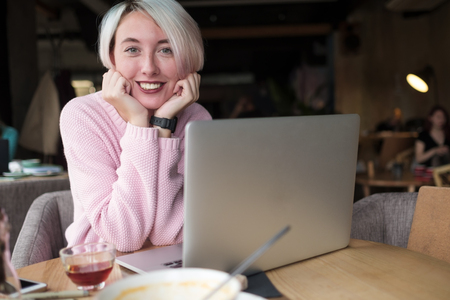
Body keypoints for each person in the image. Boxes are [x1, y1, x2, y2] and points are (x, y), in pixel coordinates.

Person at [60, 0, 211, 252]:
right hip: (99, 271)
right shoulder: (82, 115)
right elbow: (122, 237)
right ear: (112, 58)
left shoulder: (196, 119)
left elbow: (169, 235)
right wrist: (140, 125)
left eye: (167, 50)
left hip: (171, 267)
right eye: (132, 49)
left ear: (188, 58)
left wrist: (163, 127)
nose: (149, 68)